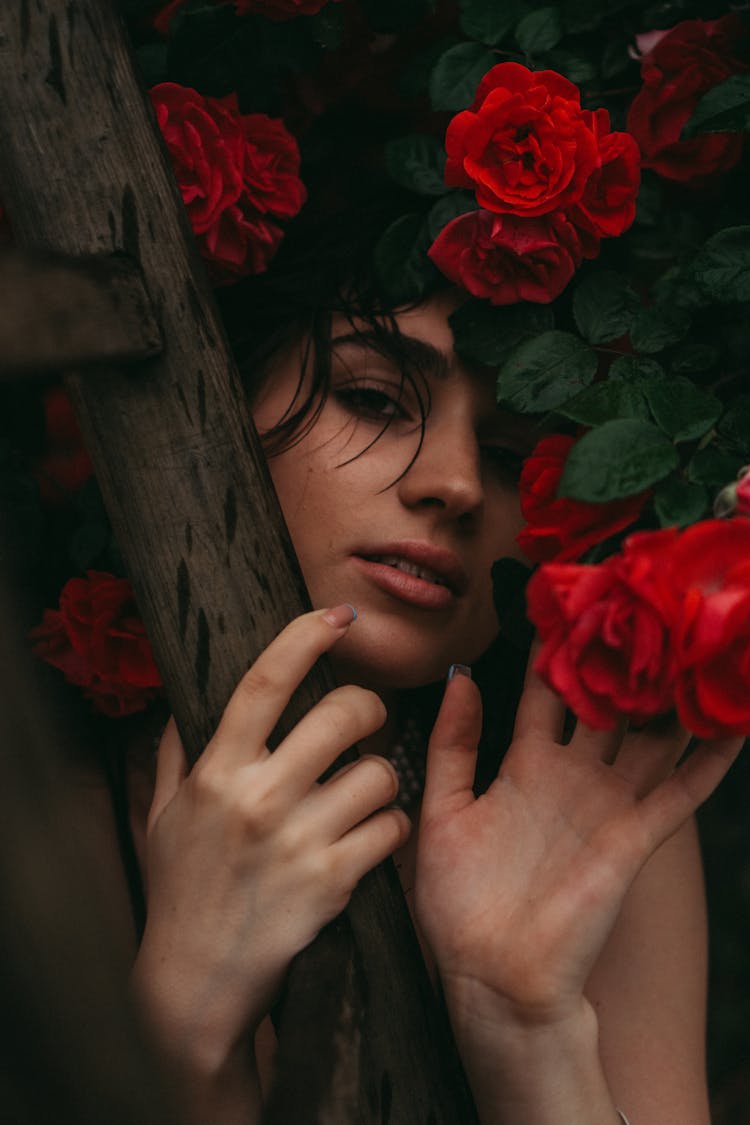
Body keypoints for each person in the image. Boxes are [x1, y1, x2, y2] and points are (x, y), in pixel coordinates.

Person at [123, 197, 742, 1125]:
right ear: (216, 403)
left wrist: (525, 1027)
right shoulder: (57, 765)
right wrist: (187, 1030)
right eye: (372, 399)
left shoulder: (588, 806)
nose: (452, 482)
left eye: (507, 456)